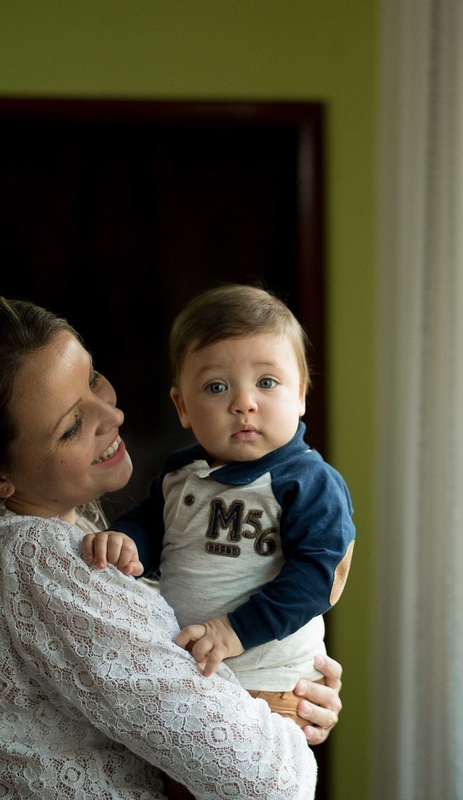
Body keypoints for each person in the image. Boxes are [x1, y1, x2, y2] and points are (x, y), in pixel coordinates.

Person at [0, 295, 342, 800]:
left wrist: (283, 676)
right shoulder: (47, 562)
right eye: (71, 426)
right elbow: (272, 781)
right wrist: (280, 723)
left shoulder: (21, 546)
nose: (112, 414)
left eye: (94, 378)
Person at [80, 284, 356, 728]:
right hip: (187, 674)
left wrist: (233, 630)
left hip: (268, 683)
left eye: (267, 382)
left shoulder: (308, 484)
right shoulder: (178, 474)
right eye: (216, 386)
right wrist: (127, 541)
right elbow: (153, 526)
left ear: (301, 394)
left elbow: (316, 578)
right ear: (182, 406)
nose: (243, 402)